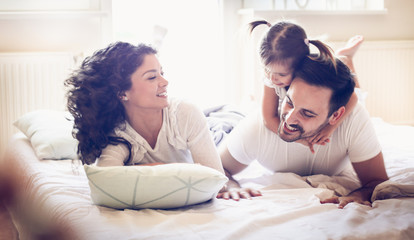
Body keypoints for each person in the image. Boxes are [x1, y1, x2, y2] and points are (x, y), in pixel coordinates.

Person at [217, 54, 389, 209]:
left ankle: (345, 57)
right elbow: (218, 167)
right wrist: (231, 186)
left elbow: (377, 181)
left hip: (346, 112)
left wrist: (359, 194)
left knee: (358, 96)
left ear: (336, 116)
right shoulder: (258, 127)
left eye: (307, 113)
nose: (289, 120)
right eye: (289, 102)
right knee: (243, 109)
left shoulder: (353, 120)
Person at [65, 42, 225, 174]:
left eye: (162, 73)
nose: (165, 82)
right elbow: (106, 177)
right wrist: (180, 170)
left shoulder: (185, 113)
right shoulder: (118, 135)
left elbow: (215, 176)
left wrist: (136, 171)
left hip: (217, 135)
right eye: (152, 77)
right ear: (122, 93)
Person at [253, 20, 363, 152]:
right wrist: (300, 139)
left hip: (338, 83)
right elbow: (268, 118)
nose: (272, 78)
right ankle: (342, 58)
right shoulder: (272, 80)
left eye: (281, 74)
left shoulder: (310, 74)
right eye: (267, 69)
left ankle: (345, 57)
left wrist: (330, 128)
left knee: (355, 89)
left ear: (300, 67)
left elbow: (354, 98)